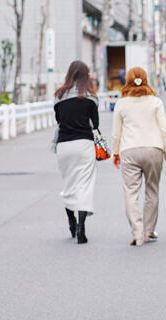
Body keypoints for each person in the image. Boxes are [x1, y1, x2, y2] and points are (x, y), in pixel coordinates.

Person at [111, 67, 166, 247]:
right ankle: (149, 231)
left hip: (129, 150)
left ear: (128, 81)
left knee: (131, 192)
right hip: (153, 149)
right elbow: (164, 127)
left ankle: (137, 232)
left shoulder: (121, 104)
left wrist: (115, 152)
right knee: (152, 190)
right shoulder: (155, 102)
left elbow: (116, 133)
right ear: (146, 80)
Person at [53, 60, 99, 244]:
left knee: (69, 185)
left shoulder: (59, 95)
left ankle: (71, 220)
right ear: (86, 75)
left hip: (63, 145)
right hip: (84, 145)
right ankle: (81, 227)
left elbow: (58, 120)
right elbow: (95, 125)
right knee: (84, 185)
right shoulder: (90, 97)